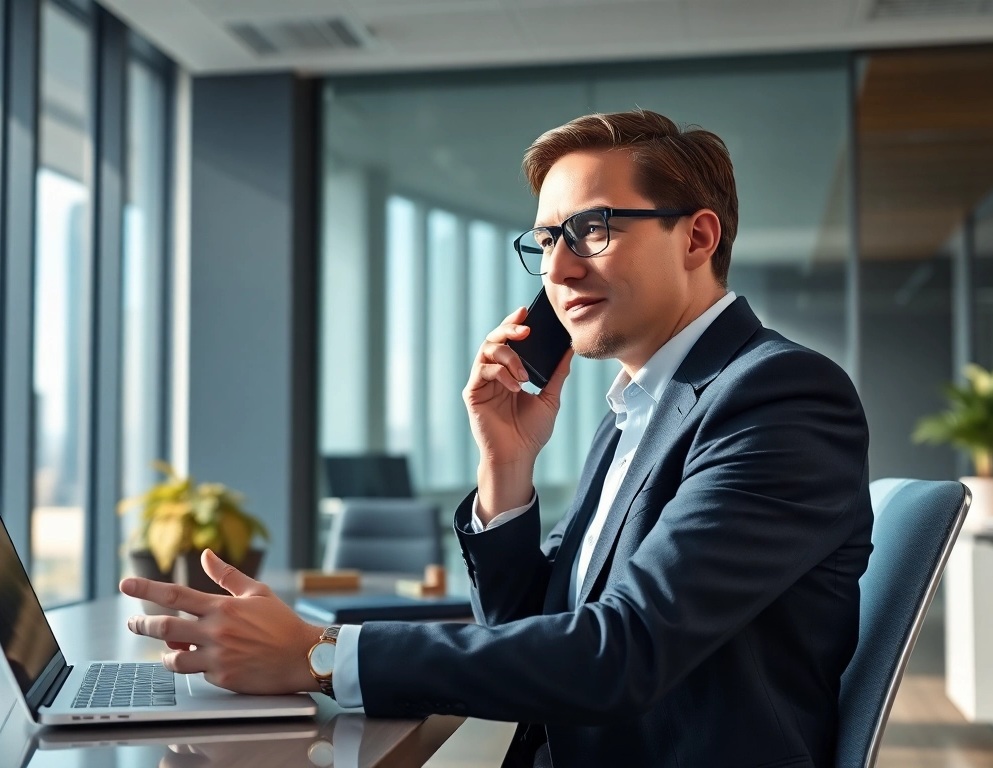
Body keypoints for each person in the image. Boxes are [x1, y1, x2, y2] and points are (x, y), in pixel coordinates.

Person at [120, 109, 873, 768]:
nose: (558, 270)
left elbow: (622, 653)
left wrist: (321, 655)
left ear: (697, 236)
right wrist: (505, 465)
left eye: (593, 230)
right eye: (546, 240)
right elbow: (540, 630)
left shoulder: (779, 398)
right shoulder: (639, 407)